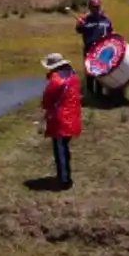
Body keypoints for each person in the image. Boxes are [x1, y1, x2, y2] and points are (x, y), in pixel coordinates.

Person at [39, 52, 82, 189]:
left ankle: (64, 180)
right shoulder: (73, 76)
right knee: (64, 148)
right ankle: (64, 176)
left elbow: (46, 101)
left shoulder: (56, 81)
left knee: (60, 150)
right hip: (73, 116)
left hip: (61, 120)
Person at [75, 0, 114, 98]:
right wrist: (79, 24)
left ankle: (99, 95)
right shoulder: (86, 19)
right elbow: (78, 30)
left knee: (100, 73)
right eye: (93, 7)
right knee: (90, 73)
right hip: (89, 50)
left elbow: (111, 32)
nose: (96, 9)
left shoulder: (105, 19)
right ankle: (90, 94)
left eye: (97, 7)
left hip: (102, 51)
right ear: (90, 7)